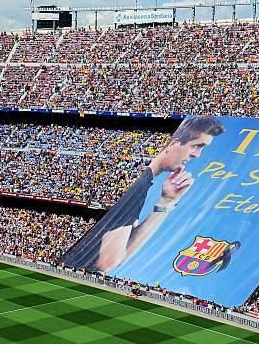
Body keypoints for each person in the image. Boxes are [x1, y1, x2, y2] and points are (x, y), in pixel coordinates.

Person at [60, 115, 225, 272]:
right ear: (174, 144)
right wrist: (165, 203)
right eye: (196, 146)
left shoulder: (138, 178)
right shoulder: (138, 187)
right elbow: (108, 262)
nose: (197, 155)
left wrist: (167, 200)